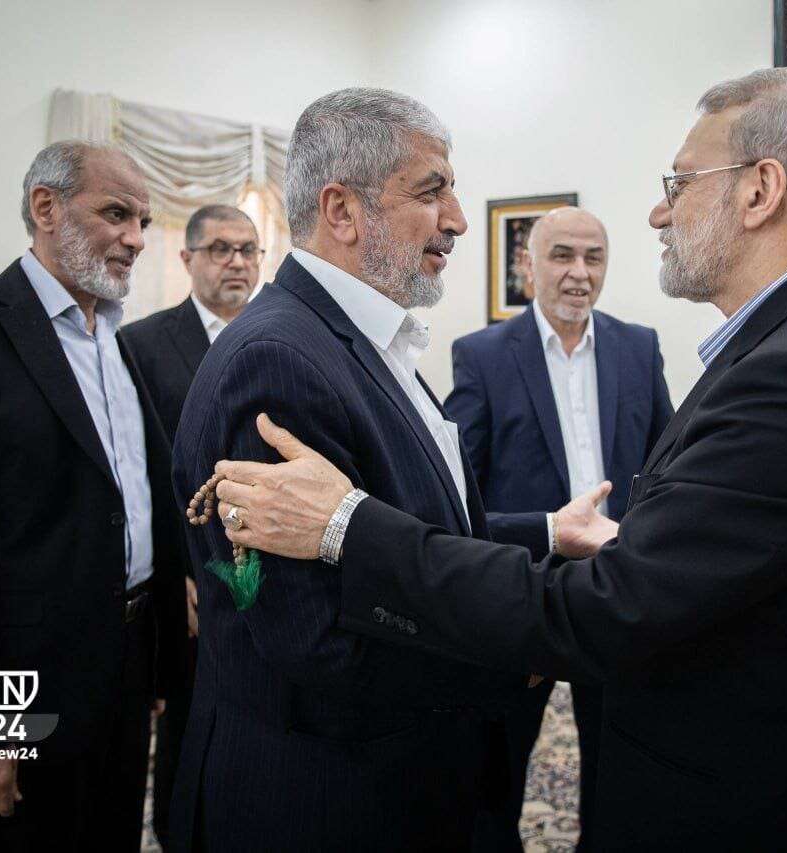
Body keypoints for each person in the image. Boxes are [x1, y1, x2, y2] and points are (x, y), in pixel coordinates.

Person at [207, 67, 787, 850]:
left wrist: (347, 526)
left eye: (680, 183)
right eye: (433, 191)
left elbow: (610, 608)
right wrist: (568, 538)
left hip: (755, 810)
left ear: (760, 191)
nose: (660, 211)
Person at [167, 87, 601, 852]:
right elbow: (317, 644)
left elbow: (399, 517)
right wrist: (517, 660)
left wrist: (543, 531)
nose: (457, 219)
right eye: (432, 191)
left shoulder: (365, 336)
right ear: (342, 210)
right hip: (323, 801)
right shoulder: (276, 362)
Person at [0, 140, 186, 851]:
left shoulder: (115, 335)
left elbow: (132, 498)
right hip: (19, 686)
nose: (135, 239)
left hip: (121, 666)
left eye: (143, 222)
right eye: (116, 214)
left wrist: (152, 659)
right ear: (46, 207)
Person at [446, 206, 673, 850]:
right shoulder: (482, 356)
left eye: (593, 258)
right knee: (496, 767)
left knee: (617, 763)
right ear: (528, 265)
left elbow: (668, 462)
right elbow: (460, 495)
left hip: (617, 585)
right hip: (527, 587)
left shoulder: (639, 347)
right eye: (562, 255)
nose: (579, 272)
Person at [118, 203, 263, 850]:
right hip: (187, 577)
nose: (237, 262)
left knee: (260, 714)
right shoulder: (141, 344)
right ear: (187, 259)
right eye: (221, 249)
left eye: (249, 250)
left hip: (268, 565)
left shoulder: (279, 333)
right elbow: (140, 473)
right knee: (188, 717)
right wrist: (171, 574)